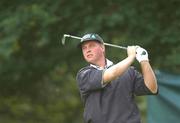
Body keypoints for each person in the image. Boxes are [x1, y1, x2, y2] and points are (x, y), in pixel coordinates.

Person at [76, 33, 158, 123]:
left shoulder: (129, 71)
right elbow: (112, 73)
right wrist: (131, 57)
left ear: (102, 48)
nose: (87, 50)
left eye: (91, 46)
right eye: (84, 48)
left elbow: (152, 88)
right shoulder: (84, 75)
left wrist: (144, 60)